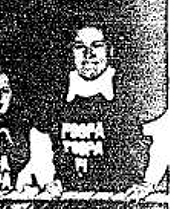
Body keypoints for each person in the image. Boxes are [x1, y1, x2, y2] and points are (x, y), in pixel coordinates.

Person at [35, 24, 154, 193]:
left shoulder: (129, 89)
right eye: (79, 47)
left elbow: (164, 134)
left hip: (120, 202)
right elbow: (39, 135)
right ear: (71, 53)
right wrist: (46, 181)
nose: (88, 53)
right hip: (68, 202)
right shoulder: (57, 91)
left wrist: (148, 183)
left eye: (96, 46)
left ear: (109, 51)